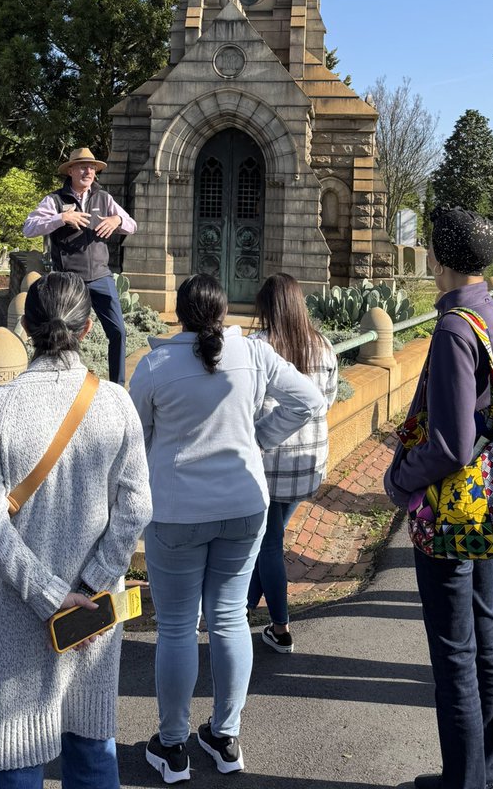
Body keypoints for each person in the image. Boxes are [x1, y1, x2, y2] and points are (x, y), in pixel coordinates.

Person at [129, 273, 324, 784]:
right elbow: (309, 400)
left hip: (176, 509)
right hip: (243, 504)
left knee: (176, 626)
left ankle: (173, 746)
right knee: (230, 617)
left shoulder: (154, 366)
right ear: (222, 310)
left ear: (179, 311)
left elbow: (135, 442)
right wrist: (259, 437)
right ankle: (225, 734)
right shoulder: (253, 353)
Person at [0, 271, 152, 788]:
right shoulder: (116, 403)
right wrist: (89, 587)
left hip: (13, 610)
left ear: (27, 326)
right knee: (91, 748)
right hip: (90, 617)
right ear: (89, 329)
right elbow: (137, 507)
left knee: (18, 756)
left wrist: (49, 594)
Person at [384, 206, 493, 789]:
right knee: (486, 631)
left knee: (454, 650)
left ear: (440, 259)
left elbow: (449, 443)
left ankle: (463, 780)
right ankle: (489, 773)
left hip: (450, 509)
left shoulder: (454, 329)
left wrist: (400, 482)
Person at [246, 273, 339, 653]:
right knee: (270, 537)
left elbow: (245, 404)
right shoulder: (324, 346)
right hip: (308, 463)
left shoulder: (257, 346)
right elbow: (328, 400)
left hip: (268, 462)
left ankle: (281, 628)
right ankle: (245, 604)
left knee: (268, 543)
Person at [23, 147, 136, 385]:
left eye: (92, 167)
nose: (88, 171)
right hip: (68, 281)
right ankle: (67, 381)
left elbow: (132, 225)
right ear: (71, 170)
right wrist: (61, 219)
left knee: (118, 332)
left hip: (101, 276)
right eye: (83, 166)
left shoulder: (104, 198)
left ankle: (118, 385)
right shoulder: (54, 200)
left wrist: (117, 220)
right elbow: (29, 228)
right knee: (65, 334)